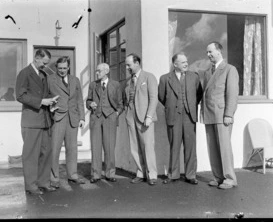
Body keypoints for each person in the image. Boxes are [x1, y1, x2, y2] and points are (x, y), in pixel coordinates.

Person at [15, 48, 59, 195]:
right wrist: (41, 101)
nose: (45, 66)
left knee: (46, 153)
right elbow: (20, 96)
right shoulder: (24, 73)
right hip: (32, 120)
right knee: (31, 155)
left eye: (46, 63)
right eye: (44, 63)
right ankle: (31, 186)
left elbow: (45, 95)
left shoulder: (44, 74)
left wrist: (51, 104)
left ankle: (43, 182)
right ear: (36, 58)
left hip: (45, 120)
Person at [158, 52, 203, 185]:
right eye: (183, 62)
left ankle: (191, 175)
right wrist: (172, 106)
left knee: (190, 147)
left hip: (189, 116)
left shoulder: (194, 77)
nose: (186, 64)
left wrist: (190, 106)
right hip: (173, 116)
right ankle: (173, 174)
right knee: (174, 146)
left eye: (186, 62)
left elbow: (198, 94)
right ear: (175, 64)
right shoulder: (165, 78)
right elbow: (162, 97)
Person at [200, 41, 239, 190]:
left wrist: (229, 114)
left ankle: (230, 178)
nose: (208, 55)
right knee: (213, 148)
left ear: (219, 51)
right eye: (207, 52)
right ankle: (218, 177)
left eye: (210, 52)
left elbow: (232, 94)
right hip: (209, 114)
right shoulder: (207, 72)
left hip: (222, 115)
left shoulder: (229, 69)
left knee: (224, 147)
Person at [47, 56, 86, 188]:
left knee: (72, 149)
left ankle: (73, 175)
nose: (62, 70)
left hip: (73, 118)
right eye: (60, 68)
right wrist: (50, 108)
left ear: (68, 67)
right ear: (56, 68)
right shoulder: (50, 79)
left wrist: (82, 118)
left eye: (65, 68)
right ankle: (54, 178)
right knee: (55, 149)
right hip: (57, 117)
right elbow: (46, 97)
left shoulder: (75, 80)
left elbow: (79, 99)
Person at [123, 53, 158, 186]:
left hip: (144, 117)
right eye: (126, 65)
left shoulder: (149, 77)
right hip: (131, 116)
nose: (127, 68)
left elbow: (154, 98)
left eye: (129, 65)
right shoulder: (128, 82)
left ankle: (152, 174)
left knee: (148, 146)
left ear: (137, 63)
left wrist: (149, 116)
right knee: (134, 146)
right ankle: (140, 172)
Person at [86, 63, 123, 183]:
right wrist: (90, 104)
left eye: (99, 71)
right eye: (97, 71)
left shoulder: (115, 84)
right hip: (96, 117)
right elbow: (88, 101)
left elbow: (120, 104)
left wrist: (116, 114)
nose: (97, 73)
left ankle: (110, 173)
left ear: (106, 71)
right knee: (95, 147)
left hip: (110, 118)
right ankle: (96, 174)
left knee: (109, 147)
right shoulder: (93, 85)